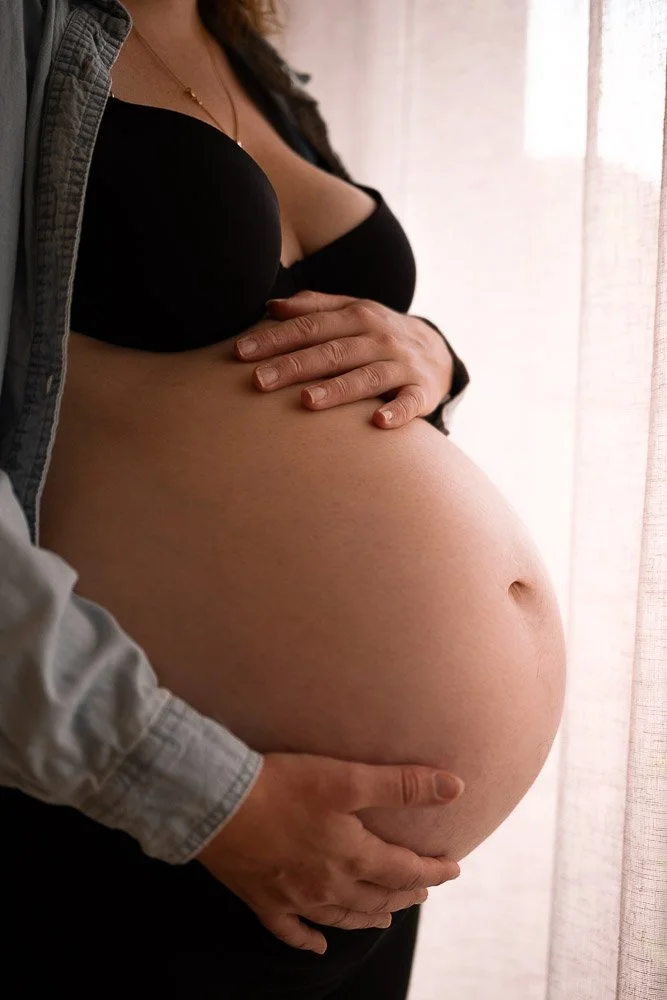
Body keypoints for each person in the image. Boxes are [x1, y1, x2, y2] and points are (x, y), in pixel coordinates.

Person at [0, 1, 566, 996]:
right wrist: (205, 793)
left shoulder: (248, 52)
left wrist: (430, 352)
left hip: (357, 872)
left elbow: (330, 343)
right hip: (142, 814)